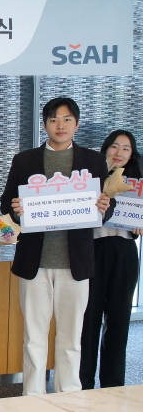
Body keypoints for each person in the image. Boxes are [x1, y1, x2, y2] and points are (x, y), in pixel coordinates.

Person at [0, 97, 114, 396]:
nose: (60, 125)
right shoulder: (24, 160)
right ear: (45, 124)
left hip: (75, 263)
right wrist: (15, 210)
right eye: (53, 120)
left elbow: (106, 205)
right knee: (34, 338)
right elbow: (7, 203)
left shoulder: (93, 161)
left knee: (71, 339)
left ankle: (70, 397)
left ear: (76, 124)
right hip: (34, 263)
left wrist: (105, 207)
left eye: (66, 119)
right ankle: (33, 399)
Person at [80, 130, 143, 389]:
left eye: (126, 148)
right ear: (105, 148)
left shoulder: (137, 184)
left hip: (124, 251)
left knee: (118, 320)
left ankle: (113, 384)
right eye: (115, 146)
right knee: (89, 319)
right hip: (93, 250)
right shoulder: (89, 178)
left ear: (132, 154)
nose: (119, 153)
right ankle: (82, 382)